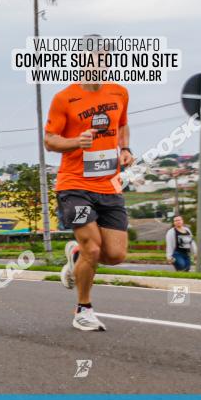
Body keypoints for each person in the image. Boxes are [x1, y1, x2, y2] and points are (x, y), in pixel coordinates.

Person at [44, 38, 133, 332]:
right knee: (93, 249)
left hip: (109, 184)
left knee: (116, 255)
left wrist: (125, 149)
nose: (98, 64)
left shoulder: (119, 92)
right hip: (74, 185)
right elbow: (49, 140)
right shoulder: (64, 98)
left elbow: (121, 125)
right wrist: (75, 142)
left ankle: (75, 255)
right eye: (92, 59)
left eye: (103, 59)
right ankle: (83, 309)